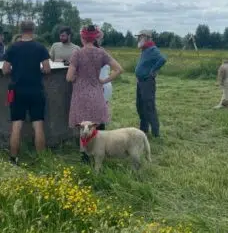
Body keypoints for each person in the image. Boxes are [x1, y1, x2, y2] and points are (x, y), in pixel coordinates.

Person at [66, 24, 123, 163]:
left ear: (82, 38)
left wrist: (76, 77)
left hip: (80, 95)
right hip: (97, 93)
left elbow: (69, 77)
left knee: (83, 127)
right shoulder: (101, 53)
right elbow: (119, 69)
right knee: (98, 124)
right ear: (95, 38)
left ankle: (85, 157)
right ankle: (101, 152)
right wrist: (104, 80)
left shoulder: (77, 53)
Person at [2, 20, 51, 165]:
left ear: (20, 30)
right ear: (33, 30)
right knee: (38, 124)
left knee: (16, 124)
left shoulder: (13, 47)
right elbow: (47, 69)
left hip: (17, 91)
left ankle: (13, 158)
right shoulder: (40, 47)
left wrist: (16, 71)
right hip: (36, 90)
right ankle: (41, 159)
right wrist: (36, 70)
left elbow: (5, 70)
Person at [135, 30, 167, 138]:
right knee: (140, 106)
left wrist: (153, 71)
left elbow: (162, 59)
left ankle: (155, 133)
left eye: (140, 37)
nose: (138, 39)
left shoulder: (152, 49)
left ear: (146, 38)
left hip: (147, 82)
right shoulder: (145, 49)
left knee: (149, 107)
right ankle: (144, 129)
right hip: (140, 81)